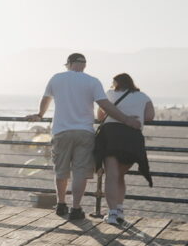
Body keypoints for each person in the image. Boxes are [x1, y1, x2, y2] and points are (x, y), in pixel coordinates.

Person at [26, 53, 141, 220]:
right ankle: (76, 208)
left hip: (61, 131)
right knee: (80, 171)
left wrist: (40, 115)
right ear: (84, 65)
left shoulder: (57, 78)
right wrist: (126, 119)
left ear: (69, 64)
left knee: (61, 170)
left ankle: (60, 204)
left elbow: (46, 99)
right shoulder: (92, 81)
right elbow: (105, 105)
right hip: (84, 132)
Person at [94, 73, 154, 225]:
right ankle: (119, 209)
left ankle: (112, 213)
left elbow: (100, 116)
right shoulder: (143, 96)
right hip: (133, 138)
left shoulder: (108, 94)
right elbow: (149, 116)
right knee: (120, 176)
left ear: (116, 83)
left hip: (112, 136)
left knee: (112, 176)